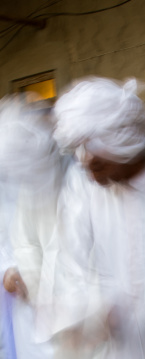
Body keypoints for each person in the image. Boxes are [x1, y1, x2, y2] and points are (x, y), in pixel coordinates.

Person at [50, 77, 145, 358]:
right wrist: (88, 309)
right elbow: (72, 259)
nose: (90, 173)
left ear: (127, 143)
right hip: (116, 344)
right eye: (83, 163)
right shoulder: (83, 185)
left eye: (99, 165)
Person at [0, 96, 67, 359]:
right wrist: (9, 268)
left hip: (71, 305)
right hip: (26, 301)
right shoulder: (15, 177)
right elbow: (16, 238)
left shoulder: (75, 180)